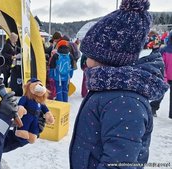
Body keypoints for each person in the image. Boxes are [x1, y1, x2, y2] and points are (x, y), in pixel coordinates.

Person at [69, 0, 169, 168]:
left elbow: (119, 163)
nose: (86, 60)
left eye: (90, 54)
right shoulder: (109, 90)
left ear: (108, 57)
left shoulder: (124, 101)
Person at [142, 30, 165, 117]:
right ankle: (151, 107)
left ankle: (153, 107)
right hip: (149, 59)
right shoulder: (147, 39)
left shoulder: (156, 40)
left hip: (154, 58)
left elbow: (155, 46)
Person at [160, 31, 172, 119]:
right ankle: (153, 106)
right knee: (160, 93)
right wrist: (164, 76)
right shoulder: (165, 50)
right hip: (167, 77)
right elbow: (162, 64)